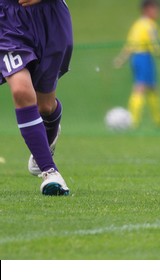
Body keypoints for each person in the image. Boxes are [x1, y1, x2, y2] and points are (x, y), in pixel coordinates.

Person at [0, 0, 73, 195]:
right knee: (21, 91)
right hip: (7, 19)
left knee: (45, 106)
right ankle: (50, 172)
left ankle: (48, 132)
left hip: (51, 17)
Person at [114, 0, 160, 129]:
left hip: (137, 57)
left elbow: (129, 44)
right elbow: (154, 42)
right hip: (144, 57)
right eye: (155, 9)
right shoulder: (149, 25)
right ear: (147, 10)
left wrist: (121, 59)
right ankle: (133, 121)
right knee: (141, 87)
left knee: (152, 88)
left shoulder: (137, 24)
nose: (157, 12)